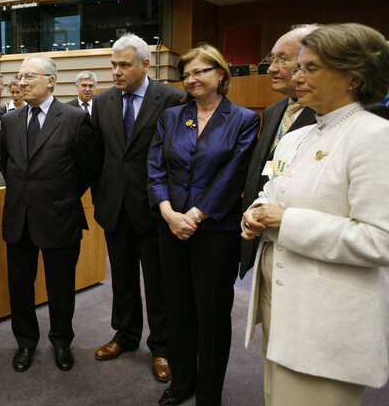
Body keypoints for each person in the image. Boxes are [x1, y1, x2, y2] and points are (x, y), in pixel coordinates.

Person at [241, 23, 389, 406]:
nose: (296, 75)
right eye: (299, 65)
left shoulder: (373, 136)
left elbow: (379, 240)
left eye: (311, 68)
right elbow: (270, 192)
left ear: (355, 76)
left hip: (325, 319)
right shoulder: (296, 137)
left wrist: (283, 221)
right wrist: (255, 213)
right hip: (279, 300)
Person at [148, 44, 259, 406]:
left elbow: (232, 176)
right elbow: (155, 167)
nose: (192, 79)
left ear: (221, 75)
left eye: (200, 72)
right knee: (177, 310)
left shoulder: (243, 119)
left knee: (211, 315)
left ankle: (209, 393)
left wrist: (195, 216)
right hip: (171, 228)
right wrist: (167, 212)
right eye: (187, 74)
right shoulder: (173, 117)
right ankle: (182, 384)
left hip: (215, 233)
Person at [90, 34, 182, 382]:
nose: (116, 71)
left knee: (158, 282)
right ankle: (125, 336)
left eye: (124, 65)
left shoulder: (172, 99)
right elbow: (98, 154)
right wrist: (100, 197)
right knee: (123, 279)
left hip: (155, 209)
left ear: (146, 64)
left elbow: (179, 157)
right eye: (113, 65)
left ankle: (162, 347)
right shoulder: (103, 102)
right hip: (115, 208)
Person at [0, 55, 96, 373]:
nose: (21, 82)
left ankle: (61, 341)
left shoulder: (73, 118)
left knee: (61, 286)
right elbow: (6, 162)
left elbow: (88, 169)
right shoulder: (11, 120)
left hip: (60, 217)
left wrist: (61, 197)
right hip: (18, 219)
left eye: (29, 76)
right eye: (20, 76)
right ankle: (25, 342)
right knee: (20, 287)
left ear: (51, 80)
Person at [239, 26, 318, 279]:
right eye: (272, 58)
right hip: (266, 243)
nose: (271, 68)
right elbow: (265, 171)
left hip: (309, 258)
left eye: (282, 59)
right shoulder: (273, 111)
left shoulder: (339, 120)